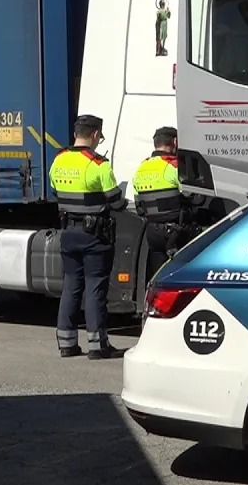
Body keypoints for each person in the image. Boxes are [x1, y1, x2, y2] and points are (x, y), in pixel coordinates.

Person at [48, 114, 127, 360]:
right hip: (95, 236)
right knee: (95, 288)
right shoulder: (99, 164)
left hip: (68, 233)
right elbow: (116, 200)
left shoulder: (58, 160)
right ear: (95, 135)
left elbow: (54, 190)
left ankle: (67, 344)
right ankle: (97, 345)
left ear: (75, 134)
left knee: (71, 286)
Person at [132, 126, 194, 277]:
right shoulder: (175, 166)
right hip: (176, 233)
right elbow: (193, 195)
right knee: (179, 276)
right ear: (175, 141)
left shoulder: (141, 167)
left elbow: (139, 205)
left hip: (152, 233)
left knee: (158, 275)